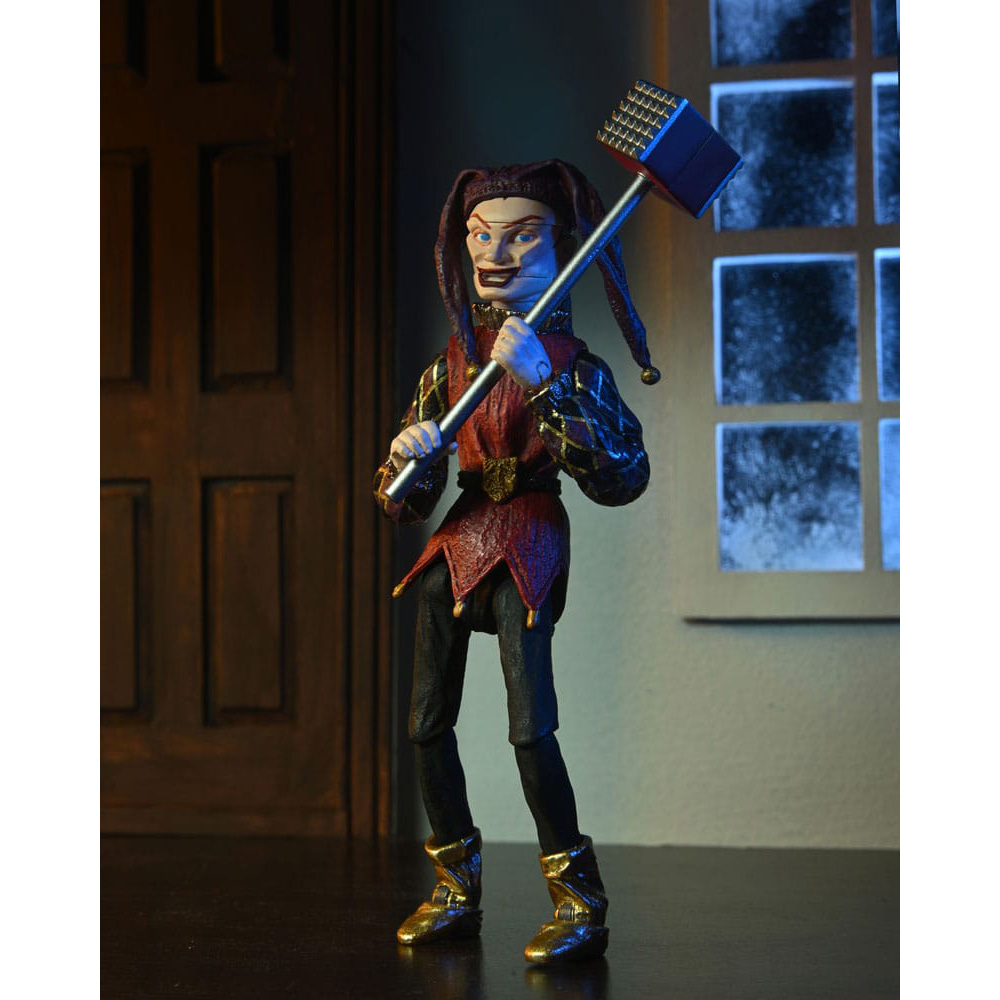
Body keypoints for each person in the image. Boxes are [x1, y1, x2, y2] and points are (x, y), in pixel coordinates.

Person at [373, 159, 657, 964]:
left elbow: (622, 478)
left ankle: (578, 899)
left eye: (522, 236)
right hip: (460, 533)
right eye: (479, 236)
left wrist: (545, 387)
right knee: (425, 724)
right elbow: (400, 503)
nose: (494, 254)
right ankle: (454, 887)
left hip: (528, 534)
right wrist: (411, 458)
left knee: (531, 731)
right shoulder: (449, 369)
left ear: (561, 243)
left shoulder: (573, 366)